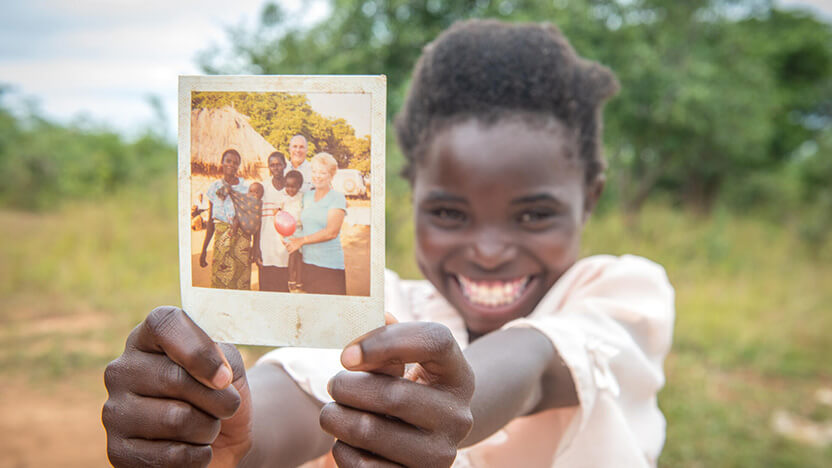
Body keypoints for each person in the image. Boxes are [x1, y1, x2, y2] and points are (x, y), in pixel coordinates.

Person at [103, 19, 675, 468]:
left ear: (591, 198)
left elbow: (535, 362)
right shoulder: (384, 312)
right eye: (451, 212)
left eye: (534, 214)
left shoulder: (623, 293)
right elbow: (302, 390)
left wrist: (453, 409)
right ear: (408, 196)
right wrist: (214, 428)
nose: (490, 250)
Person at [284, 152, 347, 295]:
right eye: (314, 171)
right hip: (307, 264)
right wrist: (291, 239)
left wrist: (302, 241)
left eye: (323, 172)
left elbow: (332, 232)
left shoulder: (337, 198)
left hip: (329, 267)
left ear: (331, 175)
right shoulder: (306, 197)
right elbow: (303, 226)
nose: (317, 176)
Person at [199, 149, 252, 290]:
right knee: (220, 284)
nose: (231, 165)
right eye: (228, 161)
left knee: (241, 284)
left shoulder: (245, 187)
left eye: (235, 163)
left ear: (238, 166)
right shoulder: (214, 188)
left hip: (241, 241)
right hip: (220, 241)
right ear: (222, 162)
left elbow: (252, 216)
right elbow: (211, 222)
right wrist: (204, 249)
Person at [253, 152, 291, 292]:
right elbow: (257, 220)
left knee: (284, 289)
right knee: (266, 289)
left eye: (279, 164)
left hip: (285, 249)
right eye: (272, 165)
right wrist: (256, 247)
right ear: (269, 167)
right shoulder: (263, 188)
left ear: (284, 165)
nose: (276, 168)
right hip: (266, 248)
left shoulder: (291, 187)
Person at [282, 170, 305, 291]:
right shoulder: (284, 199)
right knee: (292, 254)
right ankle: (291, 279)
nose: (290, 189)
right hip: (289, 230)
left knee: (300, 256)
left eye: (293, 187)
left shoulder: (302, 197)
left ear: (299, 186)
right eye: (287, 186)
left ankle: (299, 280)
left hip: (300, 230)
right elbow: (279, 213)